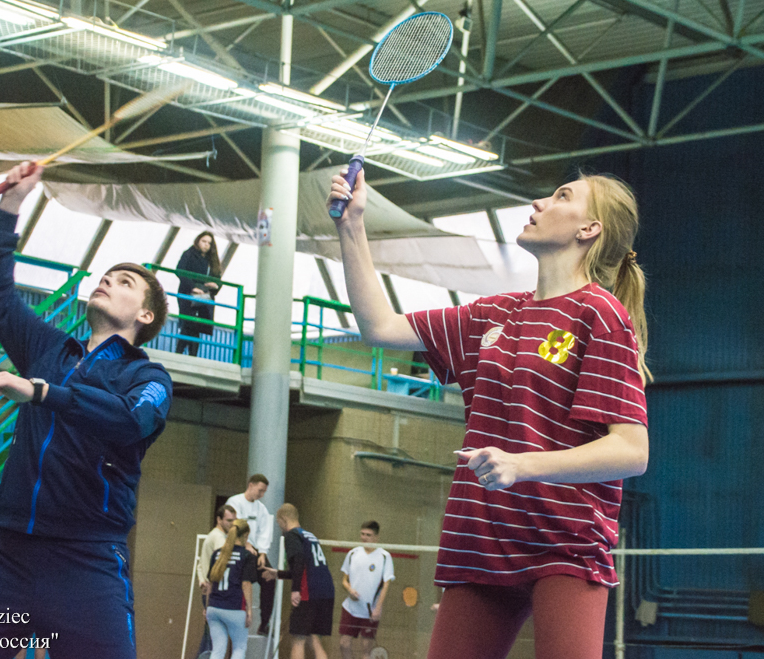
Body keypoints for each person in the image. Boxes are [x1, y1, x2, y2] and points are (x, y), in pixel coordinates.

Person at [328, 169, 650, 659]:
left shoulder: (600, 314)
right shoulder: (492, 314)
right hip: (480, 540)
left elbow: (631, 449)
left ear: (589, 229)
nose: (540, 202)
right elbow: (380, 326)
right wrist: (352, 226)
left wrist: (522, 464)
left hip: (564, 544)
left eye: (562, 196)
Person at [0, 161, 172, 659]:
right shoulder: (49, 349)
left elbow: (129, 420)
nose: (107, 280)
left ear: (146, 315)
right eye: (106, 276)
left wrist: (40, 392)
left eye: (123, 281)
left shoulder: (148, 379)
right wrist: (11, 205)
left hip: (88, 564)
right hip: (6, 558)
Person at [271, 503, 335, 659]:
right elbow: (307, 568)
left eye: (279, 523)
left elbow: (299, 561)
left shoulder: (292, 535)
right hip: (326, 592)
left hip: (308, 592)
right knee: (315, 640)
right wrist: (278, 573)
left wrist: (295, 590)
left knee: (298, 640)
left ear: (283, 518)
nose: (279, 526)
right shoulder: (309, 536)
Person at [226, 474, 276, 634]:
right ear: (251, 485)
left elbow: (264, 532)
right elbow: (236, 524)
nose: (261, 494)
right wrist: (245, 543)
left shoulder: (261, 509)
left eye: (264, 492)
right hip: (238, 548)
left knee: (269, 578)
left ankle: (264, 623)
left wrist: (262, 553)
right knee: (243, 582)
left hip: (255, 551)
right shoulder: (235, 502)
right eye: (260, 490)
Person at [339, 521, 395, 659]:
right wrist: (350, 590)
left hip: (370, 612)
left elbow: (386, 585)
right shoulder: (353, 553)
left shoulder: (384, 556)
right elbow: (344, 580)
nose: (364, 537)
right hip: (350, 608)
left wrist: (378, 608)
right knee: (344, 644)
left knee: (366, 650)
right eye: (362, 534)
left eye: (368, 535)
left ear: (376, 537)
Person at [206, 519, 257, 659]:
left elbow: (210, 583)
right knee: (239, 648)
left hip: (214, 607)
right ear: (246, 535)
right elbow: (246, 584)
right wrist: (249, 610)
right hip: (234, 607)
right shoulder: (246, 556)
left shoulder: (217, 554)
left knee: (217, 650)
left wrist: (207, 606)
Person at [195, 504, 237, 656]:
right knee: (214, 640)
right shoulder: (219, 539)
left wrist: (202, 581)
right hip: (215, 592)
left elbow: (201, 565)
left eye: (234, 521)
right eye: (228, 521)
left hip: (211, 591)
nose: (232, 524)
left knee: (211, 638)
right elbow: (221, 569)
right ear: (219, 519)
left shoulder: (215, 536)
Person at [175, 231, 222, 357]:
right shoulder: (189, 254)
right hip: (187, 293)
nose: (206, 245)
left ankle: (185, 354)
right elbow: (180, 271)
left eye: (209, 243)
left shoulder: (212, 260)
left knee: (196, 325)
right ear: (198, 241)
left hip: (203, 295)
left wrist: (214, 286)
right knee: (188, 323)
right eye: (204, 241)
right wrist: (193, 287)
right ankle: (184, 354)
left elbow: (218, 279)